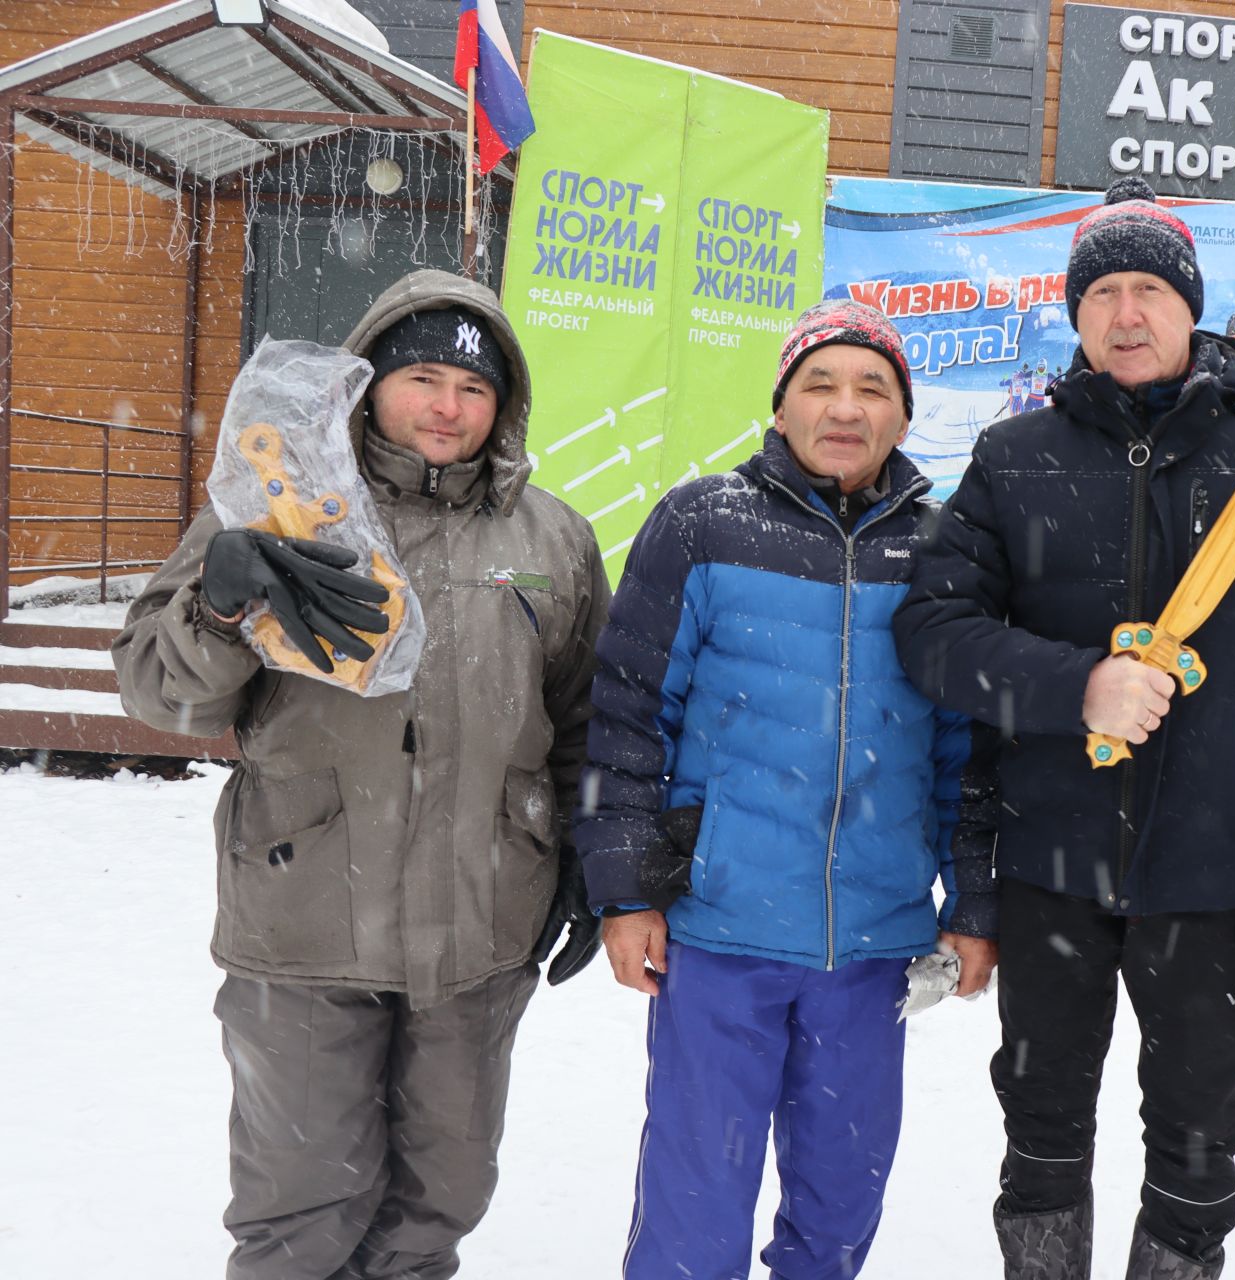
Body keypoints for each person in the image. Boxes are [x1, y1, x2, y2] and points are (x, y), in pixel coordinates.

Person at [893, 177, 1235, 1279]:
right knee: (1038, 1134)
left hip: (1217, 880)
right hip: (1050, 871)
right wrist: (1076, 684)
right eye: (1103, 292)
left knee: (1195, 1144)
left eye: (1150, 290)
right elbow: (932, 634)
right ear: (1075, 315)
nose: (1128, 314)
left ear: (1193, 306)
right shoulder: (1014, 454)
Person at [113, 268, 609, 1279]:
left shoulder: (547, 540)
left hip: (479, 926)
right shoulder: (279, 508)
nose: (447, 406)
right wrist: (220, 604)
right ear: (368, 381)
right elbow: (162, 695)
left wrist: (591, 859)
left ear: (503, 404)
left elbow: (583, 719)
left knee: (443, 1196)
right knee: (301, 1211)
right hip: (304, 919)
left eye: (473, 388)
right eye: (423, 375)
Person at [575, 299, 998, 1280]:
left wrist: (974, 900)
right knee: (694, 1209)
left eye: (872, 389)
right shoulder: (701, 523)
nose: (844, 408)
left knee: (839, 1209)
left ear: (903, 415)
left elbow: (966, 753)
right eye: (821, 383)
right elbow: (631, 711)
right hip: (719, 936)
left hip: (875, 948)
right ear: (780, 405)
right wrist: (627, 890)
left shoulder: (943, 554)